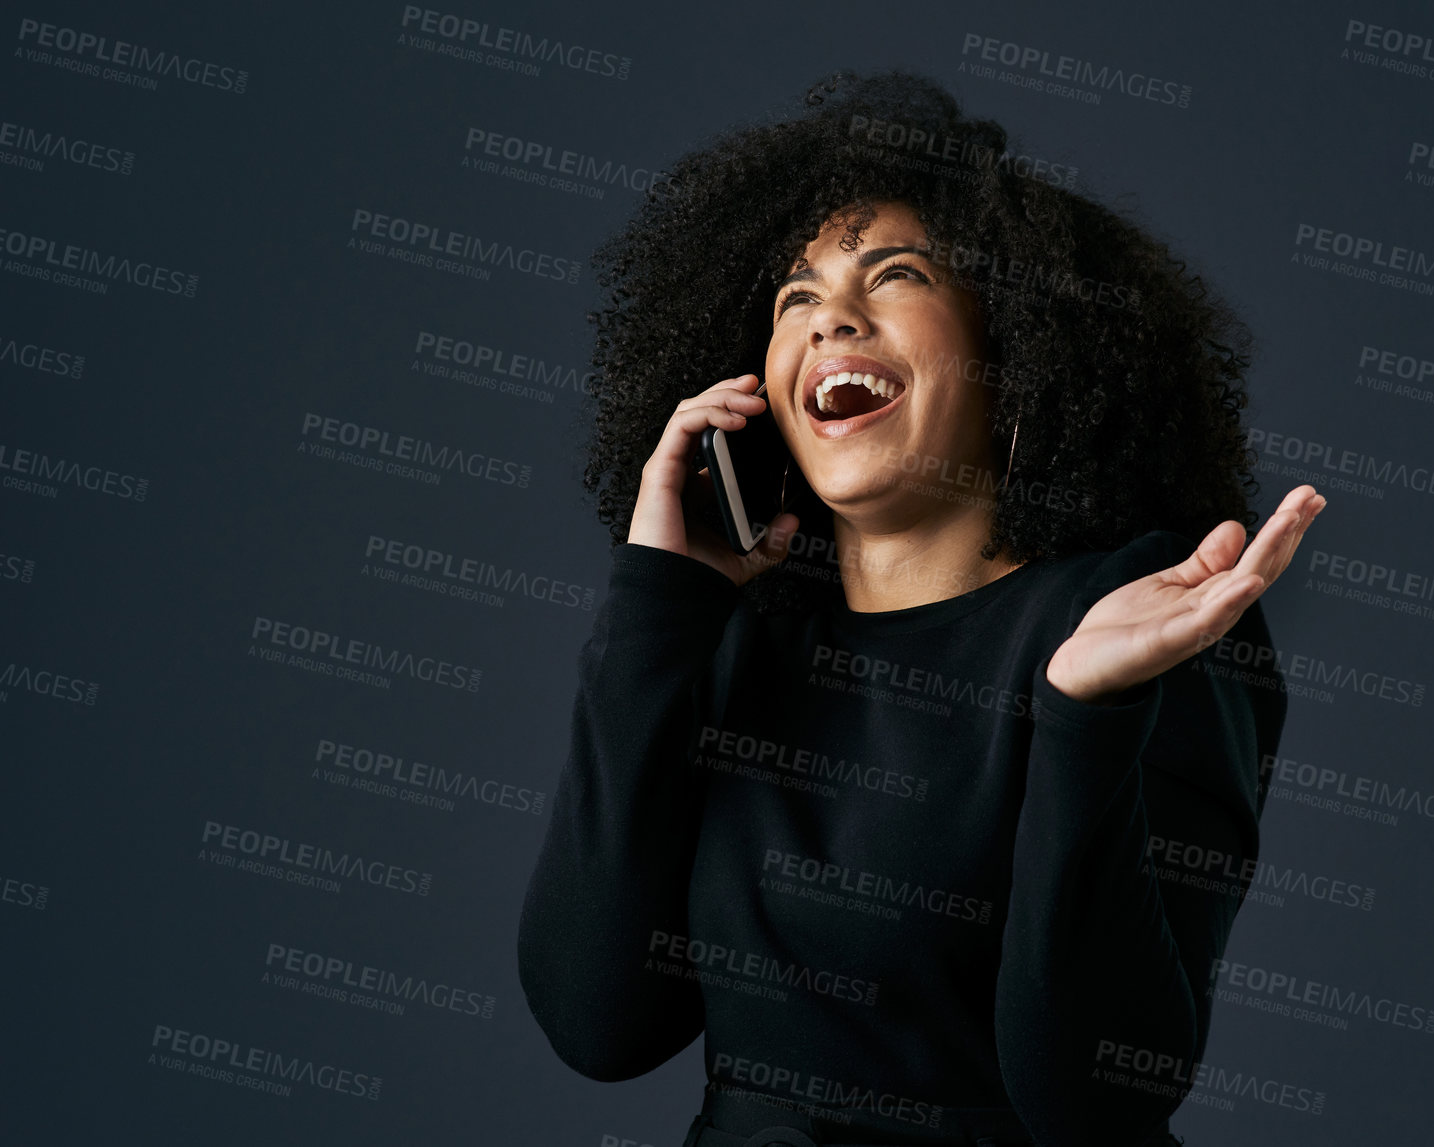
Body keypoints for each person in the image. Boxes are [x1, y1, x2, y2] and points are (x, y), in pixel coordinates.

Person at [518, 70, 1326, 1147]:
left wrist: (1085, 720)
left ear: (1015, 345)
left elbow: (1097, 1098)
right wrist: (656, 602)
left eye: (893, 276)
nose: (830, 317)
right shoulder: (737, 639)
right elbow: (597, 1022)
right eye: (793, 296)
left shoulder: (1132, 621)